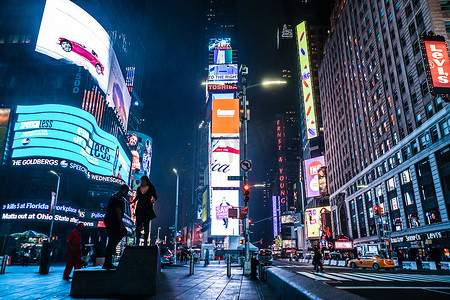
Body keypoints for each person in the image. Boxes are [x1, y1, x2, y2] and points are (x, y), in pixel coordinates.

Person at [103, 184, 129, 269]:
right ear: (124, 190)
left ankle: (108, 261)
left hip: (109, 220)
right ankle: (108, 260)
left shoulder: (114, 197)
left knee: (111, 240)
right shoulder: (119, 199)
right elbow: (118, 212)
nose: (127, 193)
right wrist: (121, 225)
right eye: (127, 191)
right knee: (118, 236)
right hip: (113, 222)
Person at [131, 176, 157, 246]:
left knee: (146, 225)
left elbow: (155, 197)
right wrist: (132, 201)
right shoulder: (139, 188)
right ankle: (137, 241)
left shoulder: (151, 188)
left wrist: (153, 201)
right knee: (138, 225)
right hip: (139, 207)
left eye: (144, 181)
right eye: (142, 181)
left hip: (147, 208)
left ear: (147, 181)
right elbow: (137, 197)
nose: (143, 182)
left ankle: (145, 242)